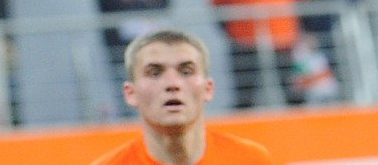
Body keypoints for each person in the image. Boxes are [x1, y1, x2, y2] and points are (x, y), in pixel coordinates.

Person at [89, 29, 273, 165]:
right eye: (154, 73)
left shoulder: (251, 160)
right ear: (130, 93)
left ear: (208, 89)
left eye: (186, 71)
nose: (172, 84)